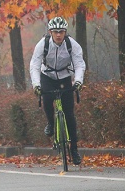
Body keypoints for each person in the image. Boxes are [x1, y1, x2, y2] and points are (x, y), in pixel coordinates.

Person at [29, 16, 86, 166]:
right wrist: (36, 85)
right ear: (50, 32)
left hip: (64, 77)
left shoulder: (72, 45)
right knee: (47, 101)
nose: (59, 35)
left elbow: (79, 64)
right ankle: (50, 123)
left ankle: (74, 150)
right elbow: (34, 65)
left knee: (69, 115)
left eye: (61, 32)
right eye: (55, 32)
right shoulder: (43, 44)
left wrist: (78, 81)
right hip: (47, 76)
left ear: (65, 32)